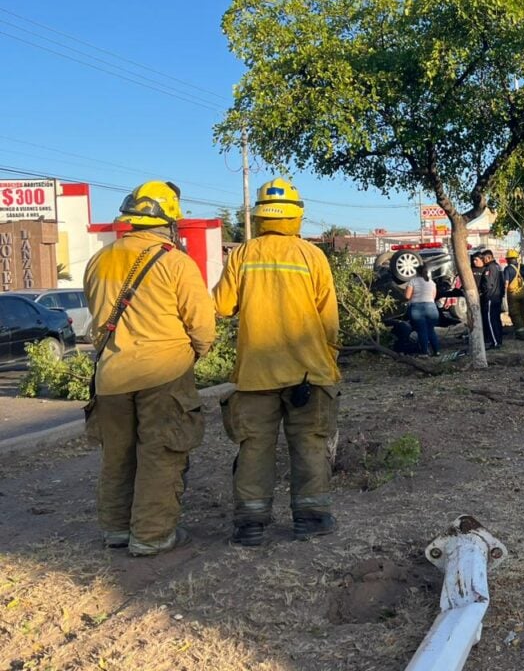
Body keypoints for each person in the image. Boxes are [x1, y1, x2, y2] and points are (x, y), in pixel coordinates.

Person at [83, 180, 216, 556]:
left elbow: (97, 316)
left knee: (117, 455)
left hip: (111, 377)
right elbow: (202, 326)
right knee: (161, 453)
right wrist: (195, 355)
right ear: (169, 219)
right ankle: (152, 536)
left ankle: (116, 530)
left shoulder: (100, 259)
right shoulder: (175, 262)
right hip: (164, 375)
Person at [212, 178, 342, 547]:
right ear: (296, 215)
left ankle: (251, 524)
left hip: (256, 373)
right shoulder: (312, 256)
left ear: (260, 215)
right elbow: (328, 318)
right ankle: (311, 518)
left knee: (254, 446)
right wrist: (330, 360)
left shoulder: (242, 254)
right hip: (308, 371)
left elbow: (221, 306)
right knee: (310, 444)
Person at [405, 264, 440, 356]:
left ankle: (424, 352)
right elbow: (433, 296)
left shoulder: (413, 281)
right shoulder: (432, 283)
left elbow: (407, 296)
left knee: (422, 331)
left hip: (417, 308)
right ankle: (437, 351)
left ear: (417, 272)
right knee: (431, 330)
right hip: (431, 307)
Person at [480, 249, 505, 349]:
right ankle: (498, 340)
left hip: (491, 297)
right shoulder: (498, 266)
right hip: (498, 296)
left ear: (489, 257)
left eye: (483, 258)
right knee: (497, 319)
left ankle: (494, 342)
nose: (483, 260)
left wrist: (484, 293)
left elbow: (488, 283)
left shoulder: (489, 268)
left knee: (490, 320)